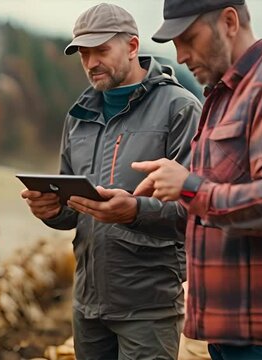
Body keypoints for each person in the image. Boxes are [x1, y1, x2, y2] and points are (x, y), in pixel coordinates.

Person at [132, 0, 262, 358]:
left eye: (189, 38)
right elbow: (212, 211)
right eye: (175, 46)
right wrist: (130, 210)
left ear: (229, 21)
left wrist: (190, 187)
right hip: (233, 340)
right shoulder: (223, 99)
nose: (181, 56)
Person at [20, 3, 202, 359]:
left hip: (149, 308)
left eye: (101, 50)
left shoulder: (180, 108)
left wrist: (134, 211)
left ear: (133, 47)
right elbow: (73, 209)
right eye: (84, 54)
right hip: (87, 305)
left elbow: (196, 212)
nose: (91, 63)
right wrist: (50, 211)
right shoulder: (78, 116)